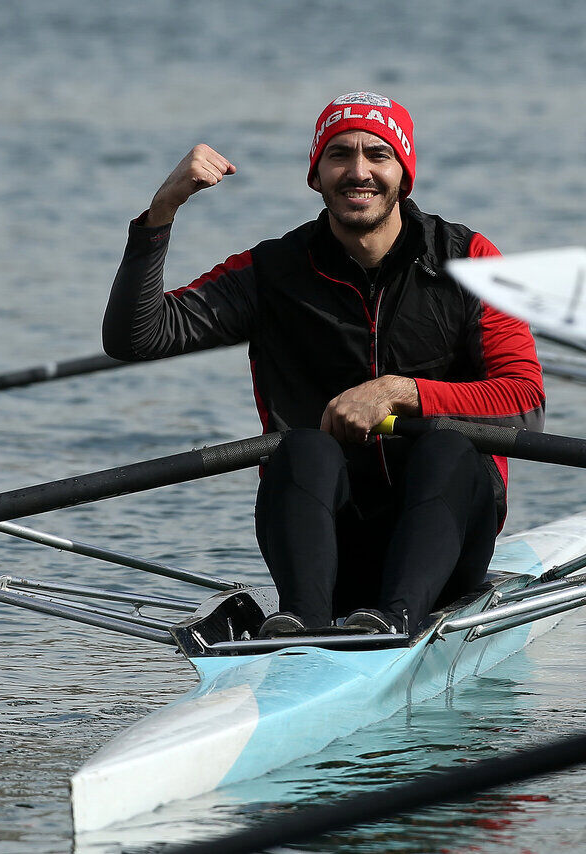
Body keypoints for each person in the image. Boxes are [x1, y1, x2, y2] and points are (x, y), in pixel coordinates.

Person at [103, 92, 544, 637]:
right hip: (325, 546)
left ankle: (397, 621)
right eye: (339, 155)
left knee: (447, 446)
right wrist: (161, 212)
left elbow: (524, 401)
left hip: (445, 544)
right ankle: (303, 629)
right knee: (305, 446)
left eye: (377, 155)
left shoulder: (469, 257)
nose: (358, 171)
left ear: (405, 176)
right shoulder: (271, 272)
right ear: (315, 176)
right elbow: (136, 338)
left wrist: (400, 391)